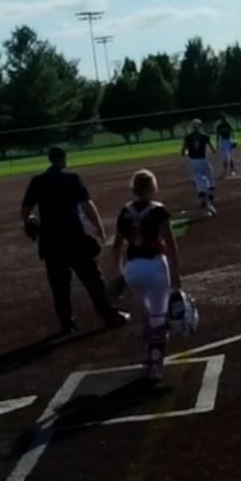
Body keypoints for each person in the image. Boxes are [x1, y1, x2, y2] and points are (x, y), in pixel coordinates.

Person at [19, 146, 127, 336]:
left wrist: (30, 222)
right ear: (63, 159)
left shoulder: (38, 181)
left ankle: (67, 324)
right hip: (74, 238)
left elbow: (25, 211)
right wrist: (99, 227)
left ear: (50, 159)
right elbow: (87, 205)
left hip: (51, 242)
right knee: (93, 280)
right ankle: (109, 315)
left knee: (59, 286)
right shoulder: (71, 178)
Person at [114, 169, 183, 381]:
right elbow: (170, 244)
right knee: (158, 318)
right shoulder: (158, 210)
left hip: (132, 269)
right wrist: (176, 274)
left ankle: (147, 354)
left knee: (145, 313)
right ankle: (155, 364)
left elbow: (117, 246)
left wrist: (119, 273)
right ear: (152, 187)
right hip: (155, 267)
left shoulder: (125, 211)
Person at [181, 119, 218, 216]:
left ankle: (202, 199)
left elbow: (183, 152)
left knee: (198, 180)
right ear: (200, 126)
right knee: (210, 177)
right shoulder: (204, 136)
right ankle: (210, 196)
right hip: (203, 160)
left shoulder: (187, 137)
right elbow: (213, 150)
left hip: (193, 161)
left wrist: (188, 152)